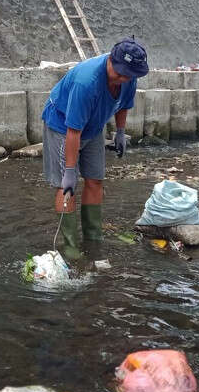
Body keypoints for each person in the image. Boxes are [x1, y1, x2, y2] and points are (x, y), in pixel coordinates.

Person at [41, 37, 149, 259]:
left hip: (94, 125)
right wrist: (70, 172)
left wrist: (119, 132)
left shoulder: (129, 76)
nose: (122, 78)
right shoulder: (86, 81)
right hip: (63, 125)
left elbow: (123, 104)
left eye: (127, 75)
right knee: (66, 186)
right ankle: (70, 244)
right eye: (118, 72)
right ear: (110, 59)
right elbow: (73, 131)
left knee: (95, 179)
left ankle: (93, 235)